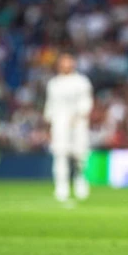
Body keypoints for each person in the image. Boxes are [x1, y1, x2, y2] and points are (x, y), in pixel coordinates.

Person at [43, 53, 93, 203]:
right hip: (59, 123)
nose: (66, 66)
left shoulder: (81, 81)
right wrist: (49, 122)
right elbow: (50, 104)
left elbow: (86, 101)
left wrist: (79, 115)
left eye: (68, 62)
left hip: (78, 123)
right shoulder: (54, 83)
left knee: (80, 154)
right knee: (60, 154)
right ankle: (61, 186)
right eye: (63, 63)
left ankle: (80, 180)